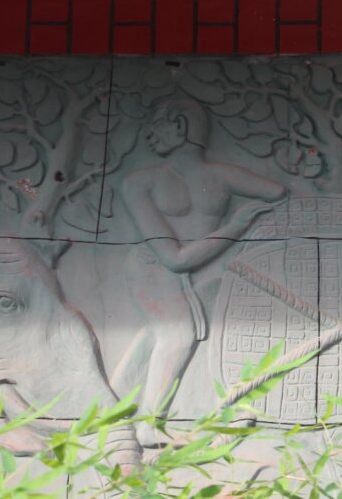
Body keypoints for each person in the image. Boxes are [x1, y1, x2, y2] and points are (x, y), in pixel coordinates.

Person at [115, 97, 287, 447]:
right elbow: (174, 258)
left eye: (157, 124)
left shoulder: (220, 175)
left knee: (237, 322)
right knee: (177, 336)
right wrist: (235, 227)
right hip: (155, 268)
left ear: (180, 126)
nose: (148, 135)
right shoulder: (140, 183)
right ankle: (149, 425)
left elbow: (279, 192)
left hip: (208, 268)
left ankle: (223, 407)